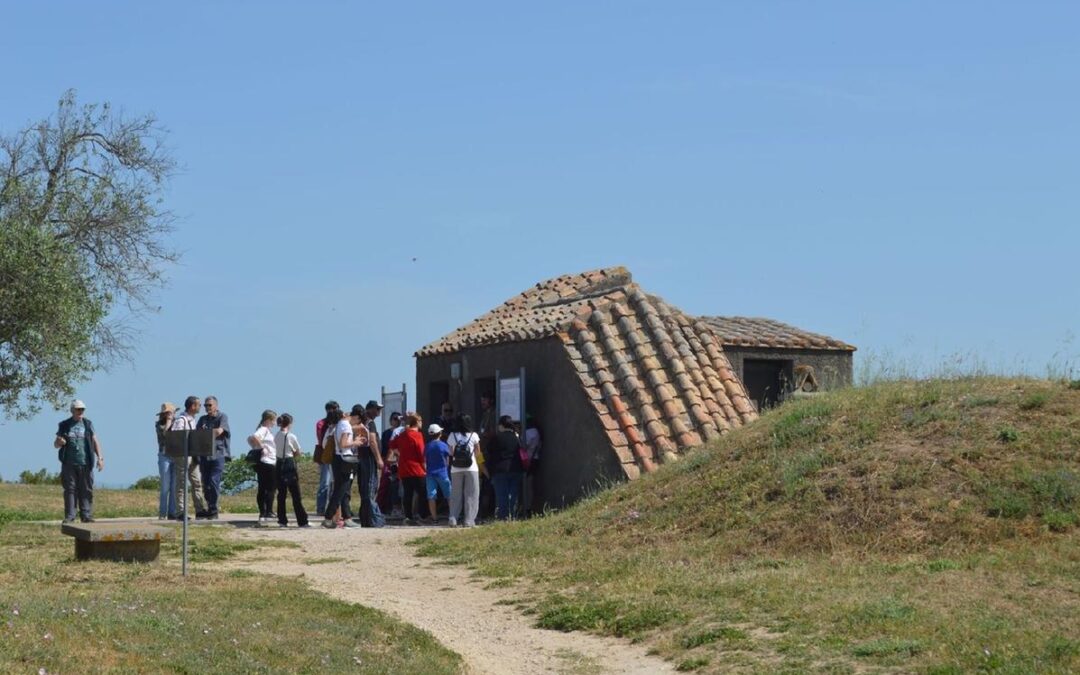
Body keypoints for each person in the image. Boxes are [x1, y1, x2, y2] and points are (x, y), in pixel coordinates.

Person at [54, 399, 104, 523]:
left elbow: (95, 441)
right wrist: (60, 442)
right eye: (78, 409)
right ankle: (70, 516)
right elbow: (56, 444)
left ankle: (86, 515)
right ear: (72, 410)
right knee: (70, 489)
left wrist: (100, 458)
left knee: (86, 489)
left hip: (86, 462)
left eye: (82, 409)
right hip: (69, 463)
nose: (80, 411)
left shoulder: (88, 424)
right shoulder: (64, 425)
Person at [321, 407, 361, 529]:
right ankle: (328, 517)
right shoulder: (346, 426)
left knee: (341, 489)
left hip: (337, 459)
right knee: (341, 490)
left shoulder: (338, 425)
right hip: (345, 459)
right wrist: (356, 442)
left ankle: (344, 517)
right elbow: (344, 444)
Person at [170, 396, 207, 519]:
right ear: (192, 406)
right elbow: (177, 436)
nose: (200, 407)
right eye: (199, 405)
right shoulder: (182, 420)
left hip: (192, 454)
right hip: (183, 455)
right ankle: (181, 511)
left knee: (197, 482)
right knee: (181, 482)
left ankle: (199, 509)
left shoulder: (192, 419)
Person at [196, 395, 231, 520]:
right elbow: (197, 435)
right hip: (204, 456)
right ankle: (210, 507)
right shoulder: (202, 419)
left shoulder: (222, 417)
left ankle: (214, 509)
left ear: (216, 405)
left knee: (213, 480)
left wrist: (205, 434)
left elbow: (220, 431)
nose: (207, 407)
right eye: (205, 405)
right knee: (205, 483)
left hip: (218, 454)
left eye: (209, 405)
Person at [390, 412, 428, 525]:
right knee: (422, 493)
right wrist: (424, 466)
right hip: (417, 468)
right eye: (420, 421)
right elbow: (421, 452)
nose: (421, 423)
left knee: (408, 493)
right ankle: (422, 515)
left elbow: (392, 444)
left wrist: (399, 453)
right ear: (416, 422)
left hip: (404, 468)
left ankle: (408, 516)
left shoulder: (402, 434)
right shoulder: (418, 435)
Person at [447, 413, 484, 527]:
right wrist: (482, 465)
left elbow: (451, 453)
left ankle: (453, 519)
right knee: (472, 494)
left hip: (456, 468)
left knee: (456, 494)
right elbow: (478, 453)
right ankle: (469, 520)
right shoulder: (474, 435)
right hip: (471, 468)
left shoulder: (452, 435)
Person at [274, 413, 309, 528]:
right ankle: (302, 520)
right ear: (289, 423)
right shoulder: (291, 436)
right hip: (289, 463)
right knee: (295, 494)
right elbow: (298, 452)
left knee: (281, 494)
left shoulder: (276, 435)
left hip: (279, 463)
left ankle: (282, 520)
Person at [354, 403, 385, 527]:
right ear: (369, 409)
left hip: (361, 458)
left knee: (364, 488)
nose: (379, 411)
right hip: (369, 458)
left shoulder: (359, 423)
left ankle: (365, 518)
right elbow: (372, 441)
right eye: (377, 409)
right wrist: (378, 459)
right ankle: (373, 519)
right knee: (370, 487)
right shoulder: (370, 423)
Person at [489, 415, 525, 521]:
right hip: (516, 469)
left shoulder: (497, 437)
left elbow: (490, 450)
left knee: (502, 495)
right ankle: (513, 516)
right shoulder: (516, 437)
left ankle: (503, 518)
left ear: (501, 426)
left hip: (500, 470)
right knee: (513, 494)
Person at [248, 409, 278, 526]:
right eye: (274, 420)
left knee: (263, 487)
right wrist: (262, 448)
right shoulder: (264, 429)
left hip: (263, 462)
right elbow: (254, 437)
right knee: (270, 488)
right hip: (267, 461)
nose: (275, 423)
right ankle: (268, 511)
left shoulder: (265, 430)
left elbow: (250, 439)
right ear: (269, 420)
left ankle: (263, 511)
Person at [314, 400, 339, 517]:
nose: (333, 411)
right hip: (325, 455)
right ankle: (320, 508)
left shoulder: (341, 423)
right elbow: (320, 439)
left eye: (335, 408)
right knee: (324, 482)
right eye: (331, 409)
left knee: (336, 483)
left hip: (338, 455)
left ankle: (334, 508)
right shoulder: (321, 423)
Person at [424, 423, 451, 525]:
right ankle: (452, 516)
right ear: (440, 433)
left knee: (431, 496)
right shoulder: (444, 445)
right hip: (442, 473)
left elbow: (425, 460)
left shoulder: (427, 446)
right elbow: (447, 460)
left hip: (430, 473)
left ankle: (434, 518)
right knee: (449, 495)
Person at [155, 402, 177, 520]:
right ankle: (162, 513)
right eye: (168, 413)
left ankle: (172, 512)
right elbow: (165, 434)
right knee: (165, 486)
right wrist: (168, 421)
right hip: (164, 456)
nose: (170, 415)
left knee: (174, 486)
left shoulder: (178, 423)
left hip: (176, 456)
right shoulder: (159, 425)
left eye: (172, 413)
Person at [521, 416, 542, 518]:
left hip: (527, 461)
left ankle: (526, 507)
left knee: (526, 485)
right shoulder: (537, 432)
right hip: (535, 460)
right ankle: (528, 507)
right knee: (530, 485)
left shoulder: (529, 432)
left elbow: (523, 446)